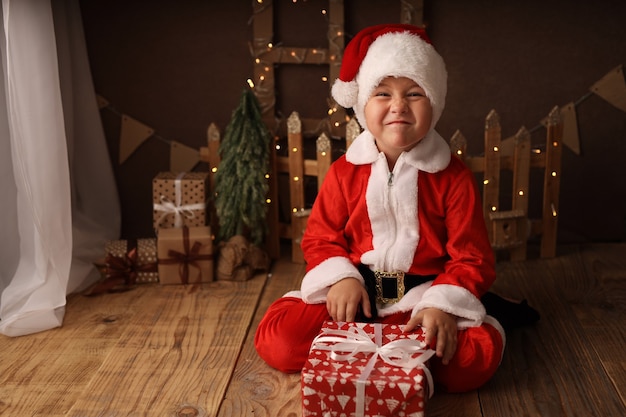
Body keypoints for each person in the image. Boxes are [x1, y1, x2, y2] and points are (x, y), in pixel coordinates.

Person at [254, 23, 538, 393]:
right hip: (357, 296)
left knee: (469, 362)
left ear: (434, 103)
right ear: (363, 104)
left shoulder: (452, 177)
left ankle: (475, 319)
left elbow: (471, 257)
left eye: (415, 93)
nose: (398, 106)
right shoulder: (344, 173)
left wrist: (442, 305)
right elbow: (321, 238)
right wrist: (341, 278)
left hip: (423, 298)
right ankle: (375, 340)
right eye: (383, 92)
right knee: (280, 339)